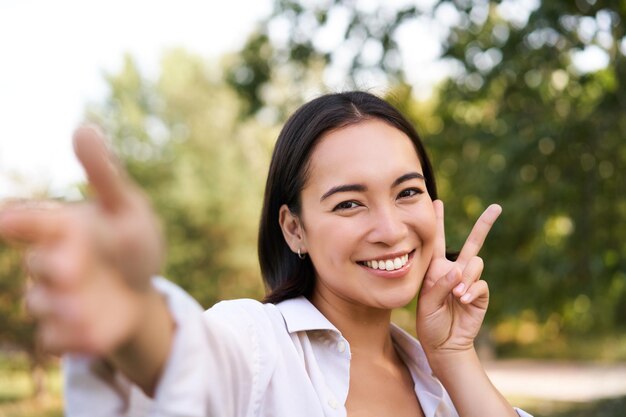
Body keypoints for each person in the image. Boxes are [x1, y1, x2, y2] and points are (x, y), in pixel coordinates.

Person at [0, 91, 532, 417]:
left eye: (407, 192)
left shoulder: (435, 378)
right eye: (349, 203)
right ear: (294, 229)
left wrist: (454, 356)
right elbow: (185, 365)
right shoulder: (258, 345)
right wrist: (131, 315)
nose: (390, 228)